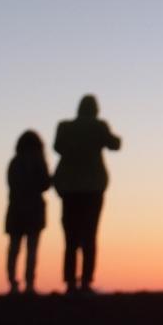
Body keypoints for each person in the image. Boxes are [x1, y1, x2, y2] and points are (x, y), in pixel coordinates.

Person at [53, 95, 121, 294]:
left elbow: (57, 147)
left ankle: (70, 282)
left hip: (69, 187)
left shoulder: (65, 127)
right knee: (90, 235)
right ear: (95, 110)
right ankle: (85, 282)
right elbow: (115, 145)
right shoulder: (98, 126)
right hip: (93, 187)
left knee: (70, 237)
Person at [6, 130, 52, 294]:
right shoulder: (39, 161)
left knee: (14, 248)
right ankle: (30, 283)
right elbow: (45, 184)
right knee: (32, 249)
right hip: (34, 209)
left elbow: (11, 183)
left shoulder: (14, 162)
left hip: (15, 209)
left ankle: (13, 283)